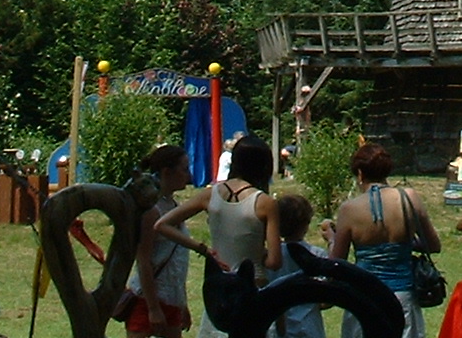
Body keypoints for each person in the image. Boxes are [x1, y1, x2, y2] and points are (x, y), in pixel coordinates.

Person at [156, 134, 281, 338]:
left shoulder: (210, 194)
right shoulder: (265, 203)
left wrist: (201, 248)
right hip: (253, 290)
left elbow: (162, 224)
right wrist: (260, 251)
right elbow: (275, 261)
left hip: (219, 294)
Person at [329, 142, 441, 338]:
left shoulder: (350, 209)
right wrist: (403, 246)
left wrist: (331, 238)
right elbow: (433, 245)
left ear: (360, 173)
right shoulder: (409, 198)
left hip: (363, 297)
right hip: (402, 295)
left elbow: (337, 262)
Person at [126, 145, 199, 338]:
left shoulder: (174, 207)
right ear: (167, 172)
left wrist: (182, 304)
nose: (188, 175)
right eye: (184, 169)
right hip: (147, 300)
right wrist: (153, 309)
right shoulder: (152, 211)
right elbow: (143, 260)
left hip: (171, 300)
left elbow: (177, 263)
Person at [267, 193, 325, 338]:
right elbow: (327, 299)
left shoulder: (270, 257)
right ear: (306, 224)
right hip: (309, 326)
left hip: (279, 328)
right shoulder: (316, 255)